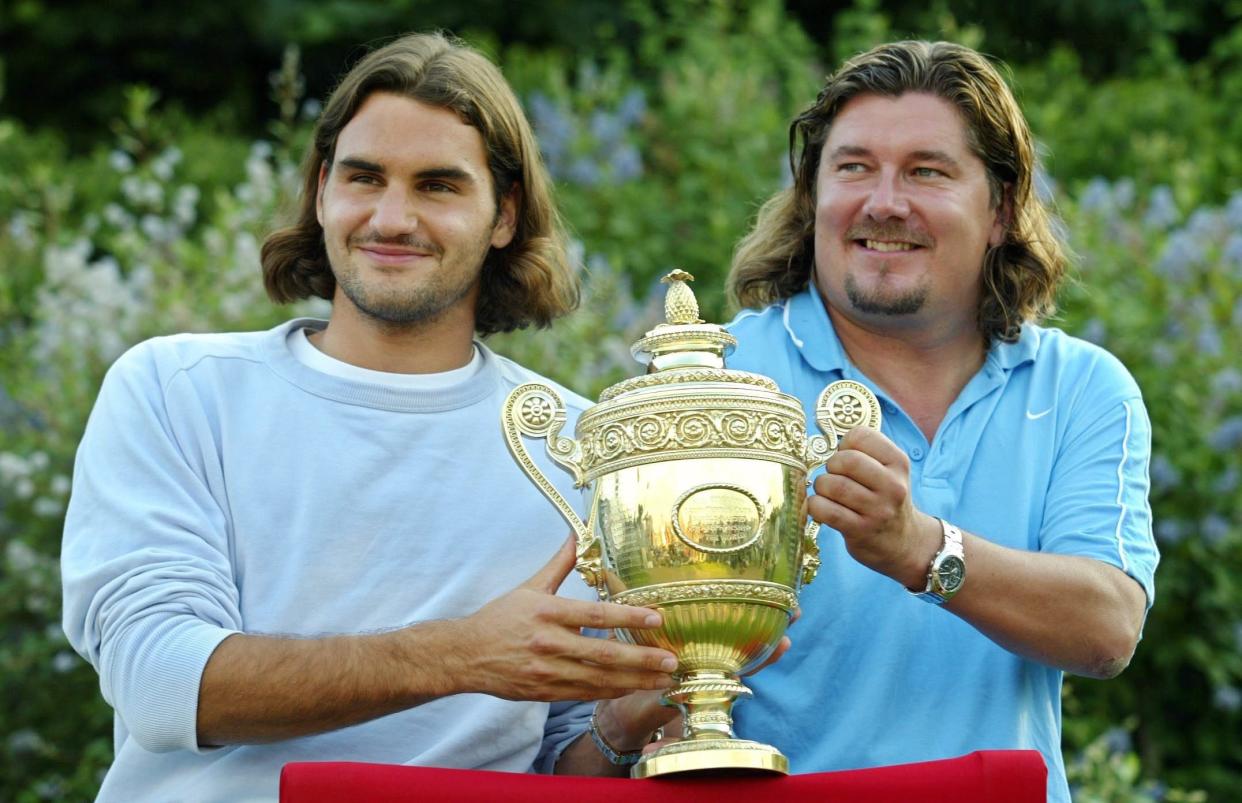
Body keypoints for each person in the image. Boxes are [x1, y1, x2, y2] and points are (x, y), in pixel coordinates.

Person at [60, 32, 679, 802]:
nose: (392, 217)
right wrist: (459, 655)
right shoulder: (177, 390)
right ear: (322, 192)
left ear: (504, 215)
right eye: (364, 178)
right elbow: (161, 682)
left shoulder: (585, 445)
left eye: (438, 186)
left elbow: (554, 760)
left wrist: (618, 729)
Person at [722, 40, 1157, 802]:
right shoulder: (721, 380)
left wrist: (921, 548)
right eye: (853, 167)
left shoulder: (1083, 388)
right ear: (813, 196)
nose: (884, 202)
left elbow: (1108, 625)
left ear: (1002, 210)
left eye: (927, 171)